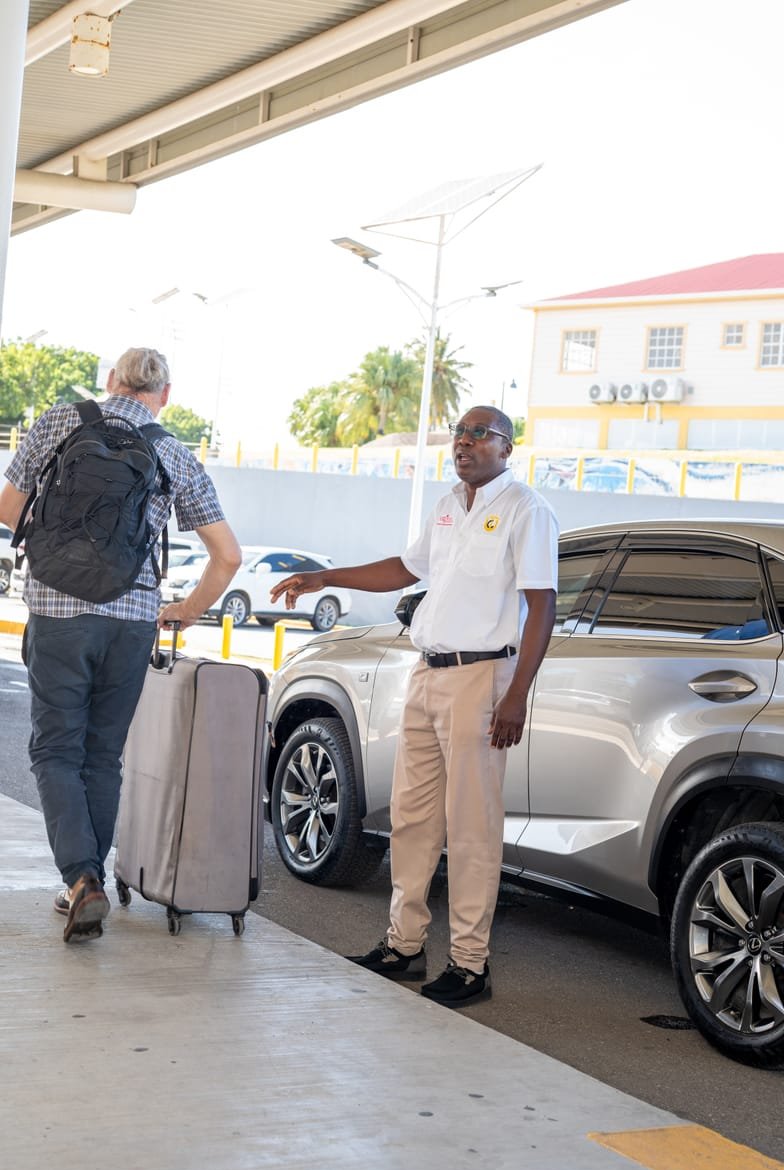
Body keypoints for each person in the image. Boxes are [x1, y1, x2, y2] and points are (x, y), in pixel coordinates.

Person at [270, 405, 558, 1007]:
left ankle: (470, 963)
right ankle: (404, 945)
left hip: (483, 679)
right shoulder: (450, 504)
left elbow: (542, 606)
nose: (464, 441)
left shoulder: (527, 510)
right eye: (459, 432)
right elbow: (404, 569)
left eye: (480, 434)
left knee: (472, 826)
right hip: (427, 673)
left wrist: (516, 695)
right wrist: (326, 578)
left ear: (508, 447)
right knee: (411, 817)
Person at [0, 347, 241, 943]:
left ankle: (81, 878)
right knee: (102, 756)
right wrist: (184, 610)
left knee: (56, 750)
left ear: (109, 381)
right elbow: (228, 556)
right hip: (132, 618)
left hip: (57, 609)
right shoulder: (172, 451)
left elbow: (8, 507)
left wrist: (59, 539)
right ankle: (91, 880)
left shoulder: (60, 421)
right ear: (166, 393)